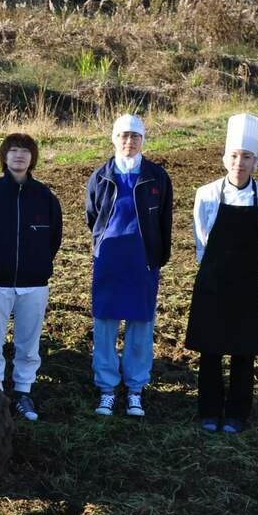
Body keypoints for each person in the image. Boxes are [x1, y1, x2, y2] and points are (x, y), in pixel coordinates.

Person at [185, 114, 258, 434]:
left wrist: (256, 270)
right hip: (212, 280)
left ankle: (238, 413)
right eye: (235, 156)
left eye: (247, 157)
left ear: (256, 162)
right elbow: (201, 237)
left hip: (247, 282)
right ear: (225, 159)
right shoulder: (207, 193)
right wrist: (211, 268)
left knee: (244, 350)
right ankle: (209, 410)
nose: (240, 163)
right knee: (210, 348)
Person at [0, 133, 63, 422]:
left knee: (28, 342)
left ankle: (23, 391)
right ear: (4, 157)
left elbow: (54, 239)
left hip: (34, 284)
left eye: (25, 151)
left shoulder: (45, 198)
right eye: (13, 150)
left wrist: (38, 265)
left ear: (32, 158)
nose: (19, 156)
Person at [85, 114, 172, 418]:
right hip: (109, 260)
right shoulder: (101, 176)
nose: (129, 142)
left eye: (135, 136)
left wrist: (157, 257)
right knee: (105, 325)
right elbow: (93, 216)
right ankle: (107, 388)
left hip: (142, 261)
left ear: (143, 140)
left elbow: (164, 221)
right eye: (123, 136)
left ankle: (135, 388)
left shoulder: (156, 176)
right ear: (114, 139)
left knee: (140, 326)